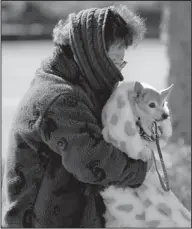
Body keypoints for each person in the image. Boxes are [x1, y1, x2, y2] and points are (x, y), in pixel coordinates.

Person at [2, 5, 150, 228]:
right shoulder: (59, 98)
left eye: (122, 62)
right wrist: (142, 168)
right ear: (91, 54)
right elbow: (93, 160)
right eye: (114, 61)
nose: (118, 72)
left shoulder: (62, 82)